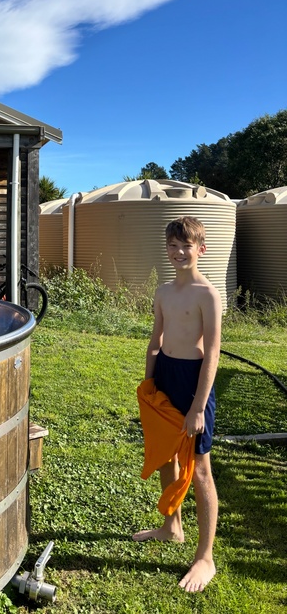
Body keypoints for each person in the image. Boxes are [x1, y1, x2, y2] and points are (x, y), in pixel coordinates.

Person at [132, 216, 222, 594]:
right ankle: (172, 527)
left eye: (187, 246)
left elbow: (213, 352)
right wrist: (149, 386)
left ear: (201, 249)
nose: (179, 252)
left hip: (193, 381)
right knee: (166, 455)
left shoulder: (208, 295)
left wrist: (198, 406)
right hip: (165, 376)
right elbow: (156, 341)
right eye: (173, 245)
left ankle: (206, 557)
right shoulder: (163, 292)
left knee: (199, 469)